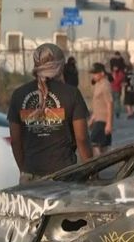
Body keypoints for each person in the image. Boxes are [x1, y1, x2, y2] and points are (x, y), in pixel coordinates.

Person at [7, 43, 91, 183]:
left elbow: (15, 140)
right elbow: (82, 138)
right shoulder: (72, 94)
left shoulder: (19, 95)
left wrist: (24, 170)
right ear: (60, 66)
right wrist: (90, 171)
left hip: (30, 175)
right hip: (65, 175)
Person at [89, 63, 114, 156]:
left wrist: (109, 123)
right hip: (98, 119)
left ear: (102, 73)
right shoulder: (98, 84)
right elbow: (98, 104)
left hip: (103, 120)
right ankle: (103, 165)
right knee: (103, 146)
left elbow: (109, 104)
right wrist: (92, 118)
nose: (93, 75)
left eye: (95, 73)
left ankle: (97, 166)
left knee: (93, 142)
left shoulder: (105, 85)